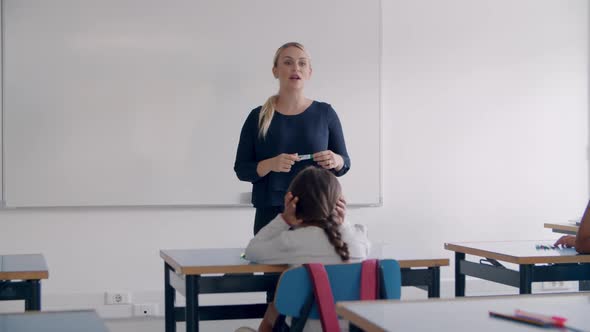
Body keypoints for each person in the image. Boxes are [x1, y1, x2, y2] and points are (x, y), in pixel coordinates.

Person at [234, 42, 351, 235]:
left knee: (315, 267)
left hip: (318, 211)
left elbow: (344, 163)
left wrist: (335, 159)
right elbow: (242, 169)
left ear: (309, 72)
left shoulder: (325, 113)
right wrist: (271, 164)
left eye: (302, 63)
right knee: (272, 265)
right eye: (288, 62)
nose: (296, 68)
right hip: (271, 214)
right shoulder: (258, 116)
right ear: (275, 71)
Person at [241, 166, 370, 332]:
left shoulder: (291, 242)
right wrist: (342, 222)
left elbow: (252, 250)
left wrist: (284, 220)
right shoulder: (357, 241)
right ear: (338, 203)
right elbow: (361, 241)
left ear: (293, 203)